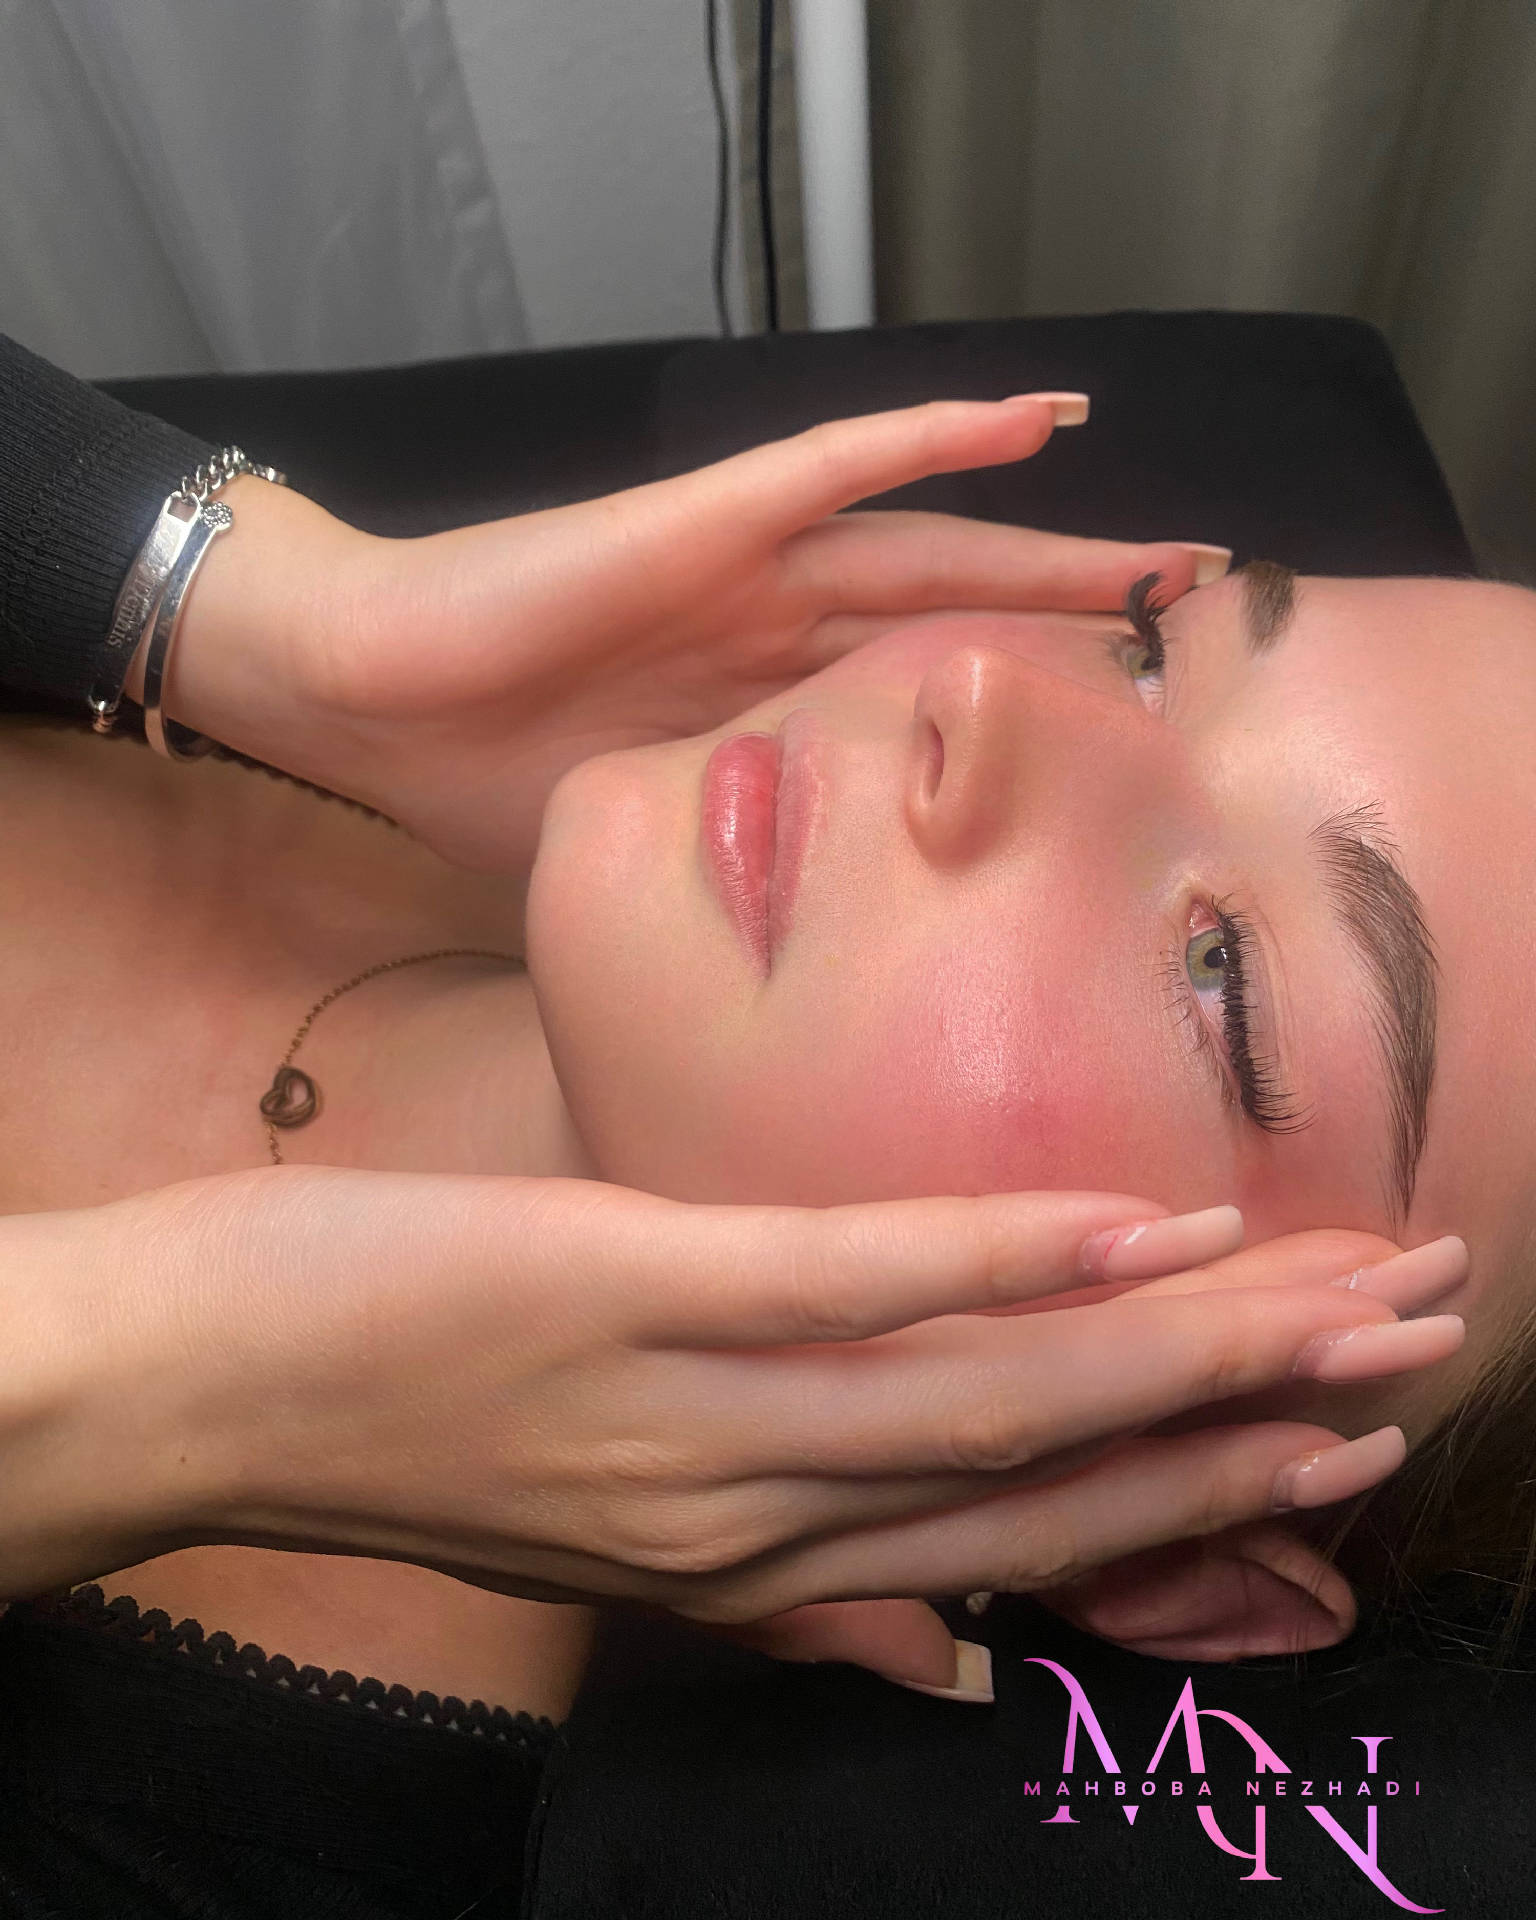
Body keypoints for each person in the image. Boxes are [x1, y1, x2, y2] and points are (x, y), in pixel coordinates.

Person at [0, 534, 1495, 1913]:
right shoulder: (368, 683)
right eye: (1155, 651)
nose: (982, 692)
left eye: (1224, 973)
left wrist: (172, 1395)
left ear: (1173, 1550)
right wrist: (208, 586)